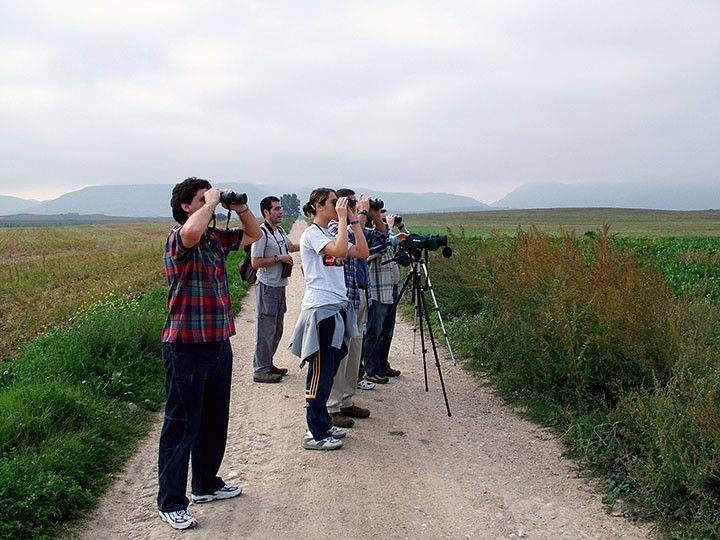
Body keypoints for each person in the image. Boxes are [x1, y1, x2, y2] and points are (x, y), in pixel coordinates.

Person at [157, 177, 263, 530]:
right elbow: (190, 233)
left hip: (218, 342)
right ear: (187, 206)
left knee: (214, 420)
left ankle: (205, 484)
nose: (211, 202)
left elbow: (254, 236)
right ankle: (170, 501)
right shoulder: (179, 239)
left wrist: (241, 208)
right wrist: (210, 204)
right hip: (186, 344)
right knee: (182, 425)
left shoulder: (215, 239)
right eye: (201, 199)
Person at [288, 188, 368, 450]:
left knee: (331, 371)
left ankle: (322, 422)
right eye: (334, 202)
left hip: (337, 308)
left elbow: (362, 253)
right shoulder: (311, 234)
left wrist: (354, 219)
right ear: (318, 206)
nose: (339, 206)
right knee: (320, 374)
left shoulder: (329, 233)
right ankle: (315, 432)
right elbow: (341, 252)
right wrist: (344, 220)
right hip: (321, 311)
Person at [326, 189, 389, 427]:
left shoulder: (355, 224)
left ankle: (347, 400)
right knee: (340, 355)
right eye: (348, 202)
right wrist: (357, 214)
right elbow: (350, 241)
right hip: (344, 297)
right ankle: (332, 406)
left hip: (362, 293)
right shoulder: (333, 228)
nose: (354, 205)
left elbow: (381, 239)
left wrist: (375, 214)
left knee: (354, 352)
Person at [250, 196, 299, 383]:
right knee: (265, 328)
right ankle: (260, 369)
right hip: (267, 286)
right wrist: (279, 259)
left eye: (281, 208)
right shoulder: (261, 234)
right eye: (277, 209)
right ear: (266, 212)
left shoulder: (278, 231)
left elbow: (291, 246)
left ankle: (268, 363)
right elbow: (255, 262)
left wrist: (314, 244)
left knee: (277, 328)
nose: (281, 211)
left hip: (279, 285)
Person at [362, 211, 405, 384]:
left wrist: (400, 226)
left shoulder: (389, 236)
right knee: (374, 331)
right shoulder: (370, 238)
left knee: (388, 331)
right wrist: (387, 231)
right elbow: (374, 252)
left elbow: (406, 244)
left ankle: (383, 364)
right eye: (380, 217)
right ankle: (371, 370)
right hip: (378, 290)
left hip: (392, 288)